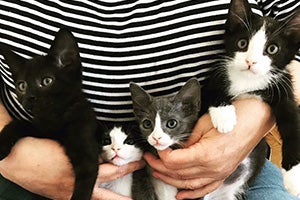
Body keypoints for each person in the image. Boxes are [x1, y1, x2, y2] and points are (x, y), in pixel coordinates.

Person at [0, 0, 299, 200]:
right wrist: (14, 162)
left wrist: (252, 120)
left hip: (219, 175)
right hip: (28, 166)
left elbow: (294, 48)